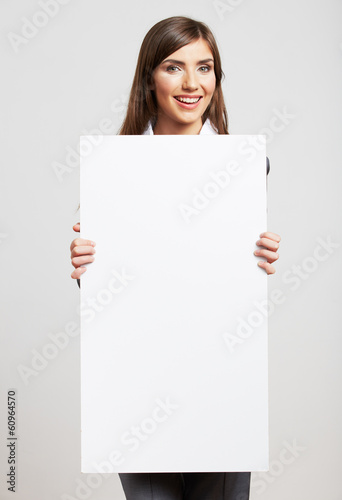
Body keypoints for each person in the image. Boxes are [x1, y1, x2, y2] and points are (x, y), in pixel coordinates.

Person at [70, 15, 281, 500]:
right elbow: (128, 286)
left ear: (216, 78)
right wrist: (88, 271)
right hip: (139, 381)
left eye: (204, 68)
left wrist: (261, 257)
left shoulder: (245, 166)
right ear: (150, 76)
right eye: (173, 67)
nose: (192, 83)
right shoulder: (112, 170)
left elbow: (218, 274)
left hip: (221, 378)